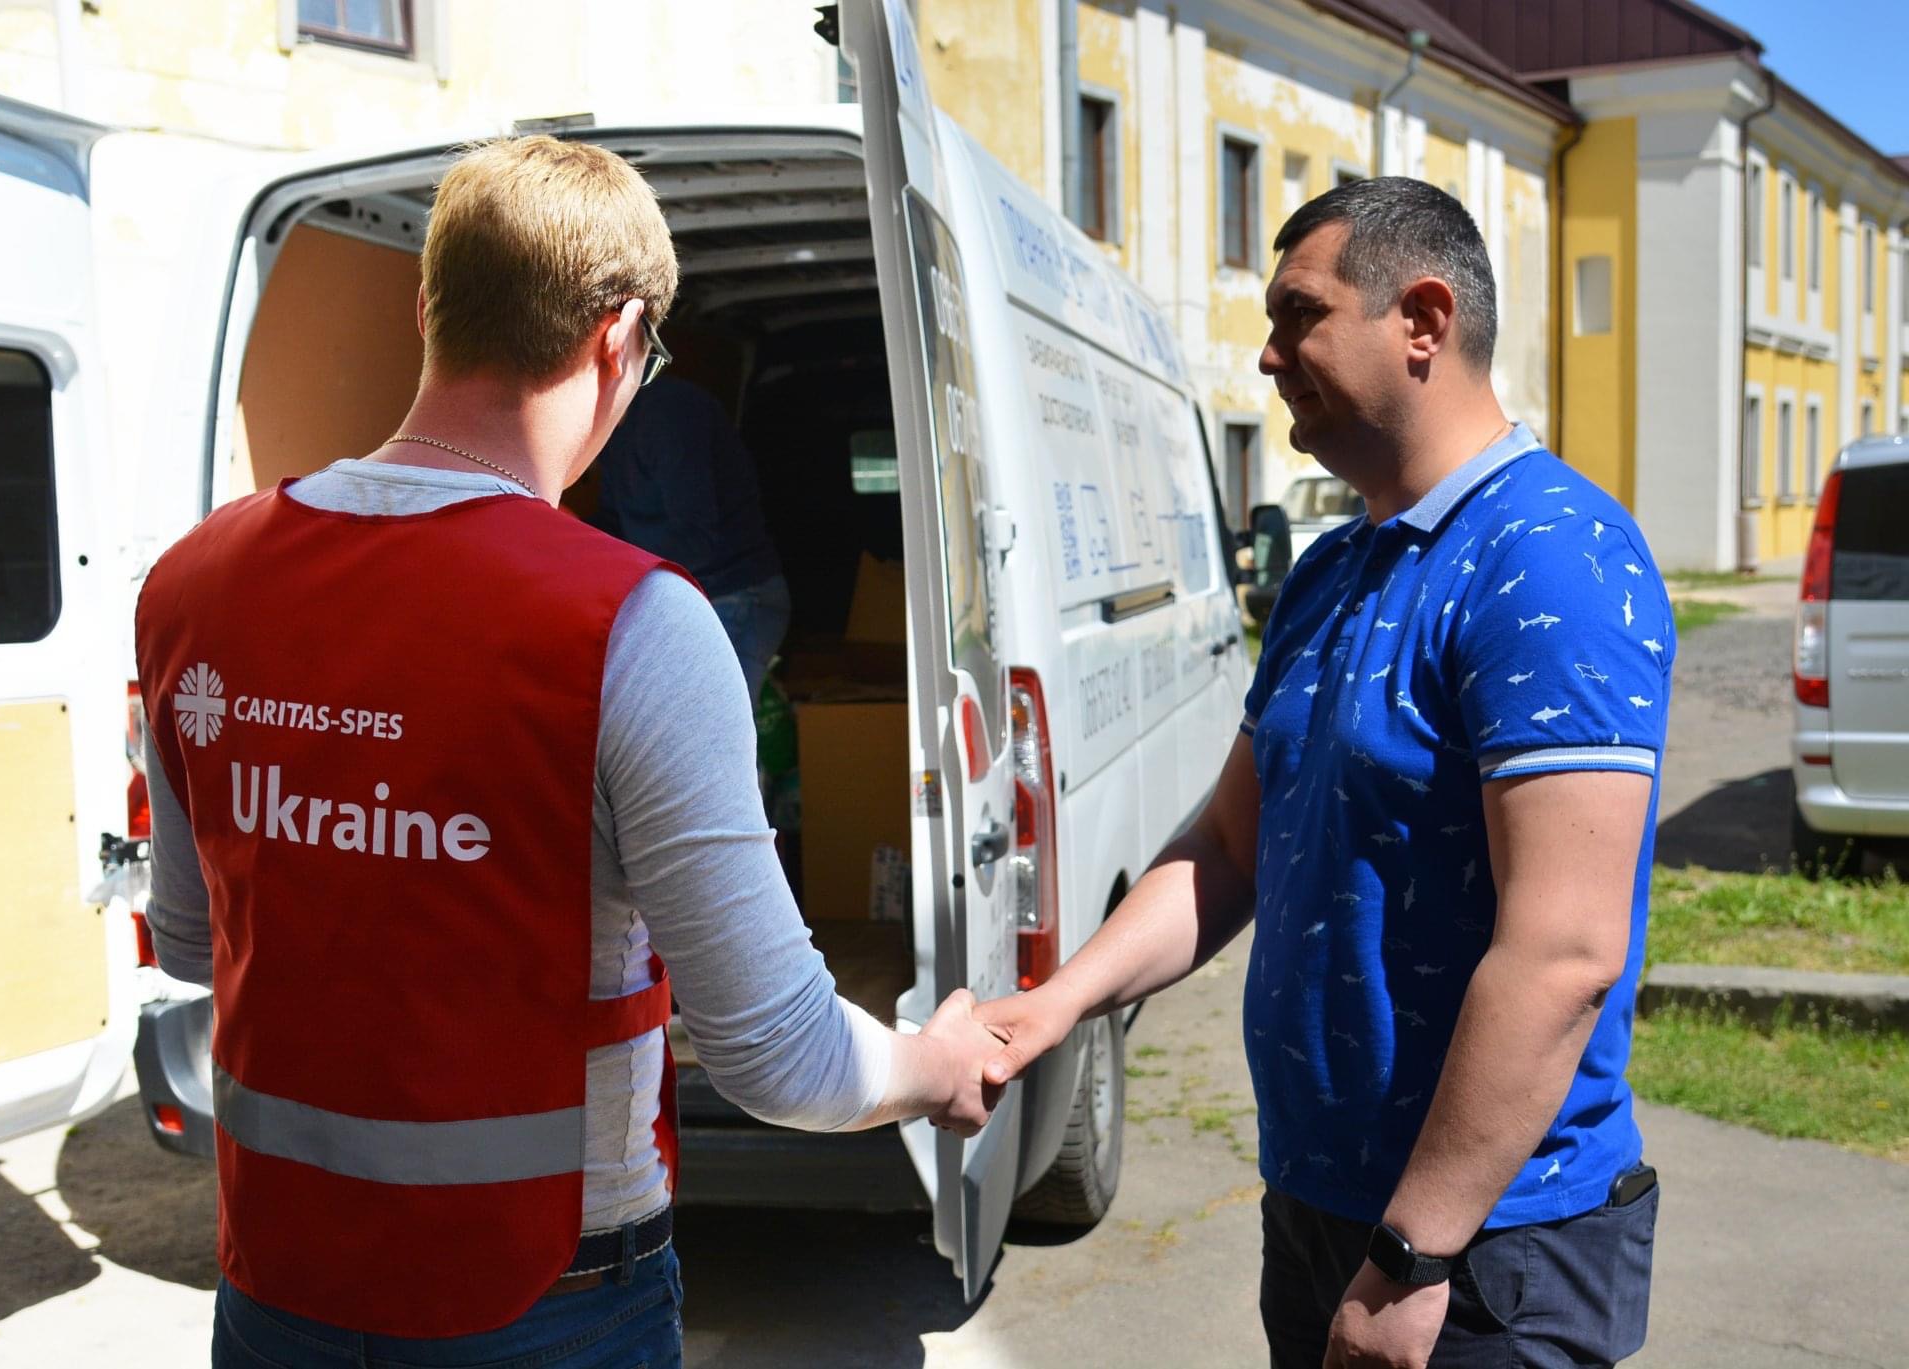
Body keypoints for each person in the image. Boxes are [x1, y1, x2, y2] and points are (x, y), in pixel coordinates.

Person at [135, 135, 1001, 1369]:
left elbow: (185, 938)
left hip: (278, 1285)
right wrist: (934, 1062)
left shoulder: (194, 581)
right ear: (619, 338)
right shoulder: (630, 622)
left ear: (427, 304)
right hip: (543, 1299)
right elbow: (780, 1056)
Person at [975, 178, 1671, 1369]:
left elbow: (1563, 954)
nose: (1265, 355)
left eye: (1298, 313)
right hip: (1318, 1202)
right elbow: (1230, 850)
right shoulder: (1330, 569)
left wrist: (1413, 1254)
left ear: (1422, 320)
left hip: (1484, 1249)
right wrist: (1052, 1005)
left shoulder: (1547, 557)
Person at [593, 373, 790, 705]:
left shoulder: (669, 415)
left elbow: (694, 537)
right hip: (690, 598)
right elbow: (614, 524)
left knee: (711, 729)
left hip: (736, 595)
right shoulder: (614, 434)